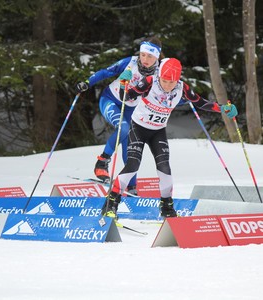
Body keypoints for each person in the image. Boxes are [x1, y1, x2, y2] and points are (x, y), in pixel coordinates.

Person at [102, 57, 238, 218]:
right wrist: (124, 84)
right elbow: (127, 97)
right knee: (132, 165)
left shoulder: (182, 88)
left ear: (178, 79)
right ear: (160, 76)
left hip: (158, 132)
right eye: (165, 80)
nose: (167, 85)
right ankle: (110, 204)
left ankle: (167, 208)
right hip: (138, 128)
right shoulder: (150, 82)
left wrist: (222, 108)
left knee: (165, 168)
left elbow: (200, 102)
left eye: (172, 82)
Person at [75, 37, 164, 195]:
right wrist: (87, 83)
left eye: (150, 56)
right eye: (143, 55)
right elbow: (106, 72)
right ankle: (102, 162)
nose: (145, 59)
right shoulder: (129, 62)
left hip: (132, 110)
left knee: (132, 148)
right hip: (111, 100)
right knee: (123, 128)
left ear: (157, 57)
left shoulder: (159, 74)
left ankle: (131, 187)